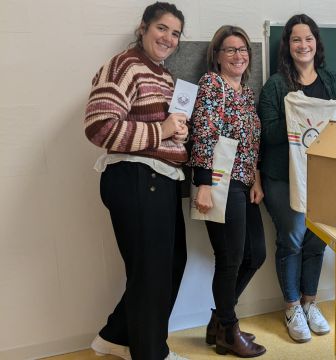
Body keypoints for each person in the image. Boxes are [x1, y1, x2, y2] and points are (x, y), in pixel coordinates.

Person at [84, 2, 189, 360]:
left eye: (175, 33)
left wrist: (177, 133)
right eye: (162, 28)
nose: (169, 38)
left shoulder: (164, 75)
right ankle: (150, 353)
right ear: (143, 28)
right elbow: (99, 127)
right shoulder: (125, 65)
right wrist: (162, 129)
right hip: (136, 177)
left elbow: (162, 133)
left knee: (166, 267)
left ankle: (115, 337)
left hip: (160, 179)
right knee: (153, 274)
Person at [257, 14, 336, 343]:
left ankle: (311, 302)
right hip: (283, 177)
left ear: (316, 43)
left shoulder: (333, 81)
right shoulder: (276, 85)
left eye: (308, 38)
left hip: (324, 177)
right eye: (295, 39)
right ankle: (292, 306)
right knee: (292, 238)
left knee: (317, 241)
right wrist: (299, 117)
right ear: (287, 45)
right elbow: (267, 133)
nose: (302, 45)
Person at [189, 25, 267, 357]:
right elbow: (203, 133)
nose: (238, 56)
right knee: (230, 259)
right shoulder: (212, 84)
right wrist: (203, 185)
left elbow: (252, 143)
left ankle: (221, 322)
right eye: (230, 50)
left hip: (244, 184)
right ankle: (228, 332)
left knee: (255, 254)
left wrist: (257, 180)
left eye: (243, 50)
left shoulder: (247, 93)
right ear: (217, 56)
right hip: (220, 182)